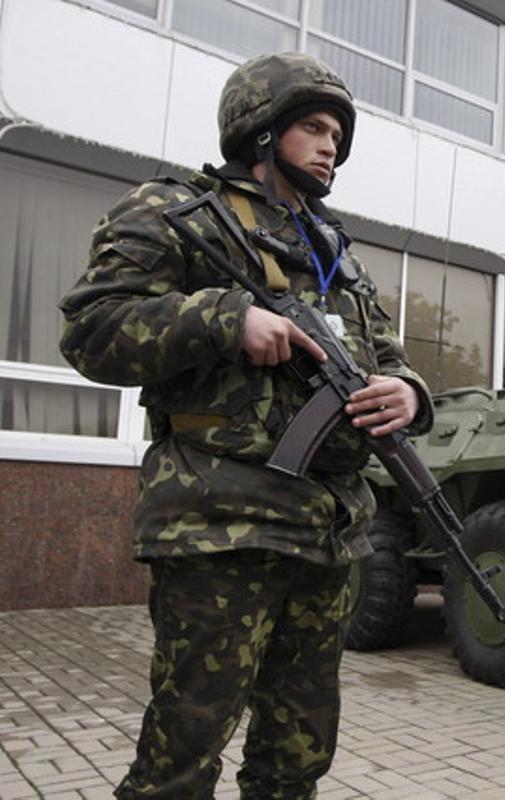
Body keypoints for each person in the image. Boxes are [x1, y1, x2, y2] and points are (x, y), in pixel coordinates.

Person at [59, 52, 432, 799]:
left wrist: (411, 392)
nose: (331, 146)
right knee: (184, 754)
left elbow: (384, 352)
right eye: (313, 128)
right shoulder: (177, 211)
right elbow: (92, 328)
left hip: (324, 531)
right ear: (261, 131)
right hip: (221, 525)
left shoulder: (333, 252)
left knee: (297, 754)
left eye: (337, 134)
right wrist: (226, 319)